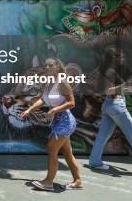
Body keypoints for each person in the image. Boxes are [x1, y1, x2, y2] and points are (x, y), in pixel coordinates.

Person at [20, 57, 82, 191]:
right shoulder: (49, 82)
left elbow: (72, 103)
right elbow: (43, 100)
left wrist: (54, 110)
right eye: (46, 65)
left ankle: (48, 182)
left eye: (51, 65)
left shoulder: (62, 82)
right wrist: (29, 110)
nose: (47, 68)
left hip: (65, 121)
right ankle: (78, 181)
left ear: (58, 67)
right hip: (58, 121)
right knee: (67, 153)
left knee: (52, 148)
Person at [89, 47, 132, 170]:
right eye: (120, 56)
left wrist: (127, 89)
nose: (123, 58)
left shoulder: (107, 70)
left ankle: (94, 162)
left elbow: (116, 89)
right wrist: (125, 85)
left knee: (102, 136)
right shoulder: (110, 71)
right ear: (114, 57)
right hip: (116, 106)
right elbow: (108, 91)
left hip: (108, 106)